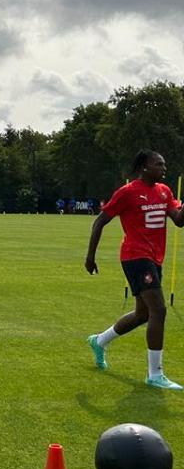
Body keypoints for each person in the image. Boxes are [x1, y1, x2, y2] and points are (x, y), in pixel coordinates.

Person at [85, 150, 184, 390]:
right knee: (159, 310)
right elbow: (100, 221)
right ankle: (155, 374)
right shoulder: (128, 192)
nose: (163, 168)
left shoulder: (164, 191)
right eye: (158, 164)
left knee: (143, 314)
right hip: (135, 256)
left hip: (154, 258)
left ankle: (99, 341)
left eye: (164, 164)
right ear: (144, 166)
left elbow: (179, 220)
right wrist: (90, 256)